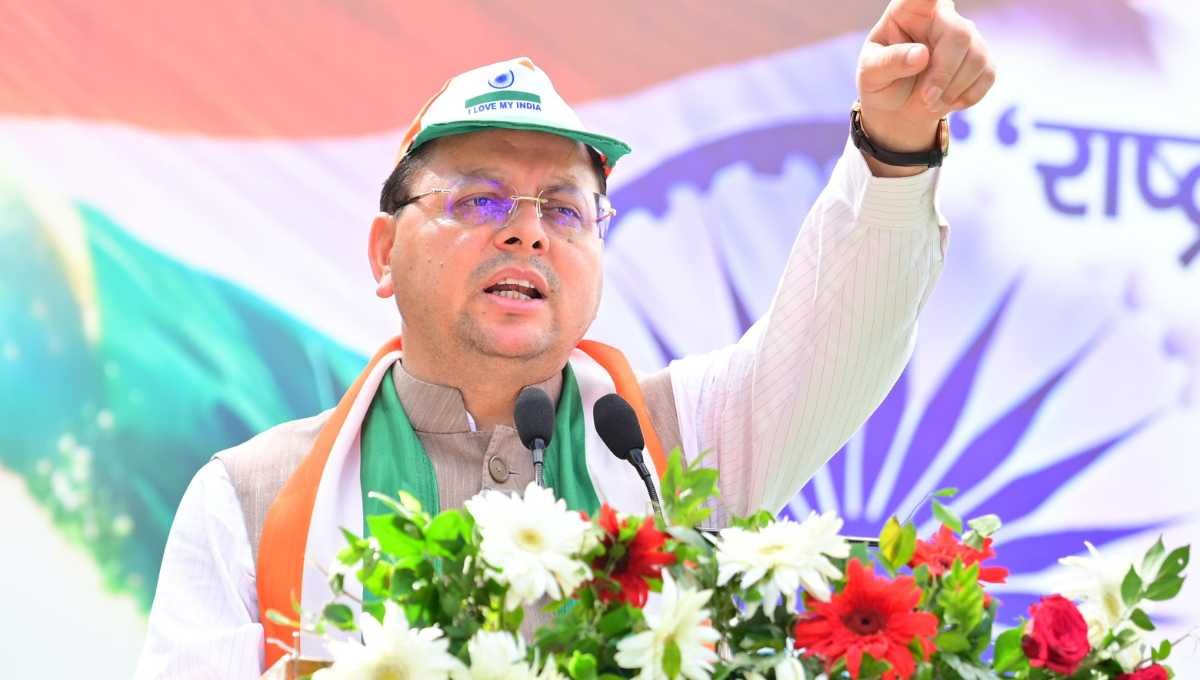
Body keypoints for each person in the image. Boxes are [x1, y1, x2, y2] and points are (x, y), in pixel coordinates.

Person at [136, 1, 995, 676]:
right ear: (384, 251)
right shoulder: (250, 499)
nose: (527, 231)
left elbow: (842, 334)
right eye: (478, 199)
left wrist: (895, 144)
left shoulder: (669, 447)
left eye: (564, 208)